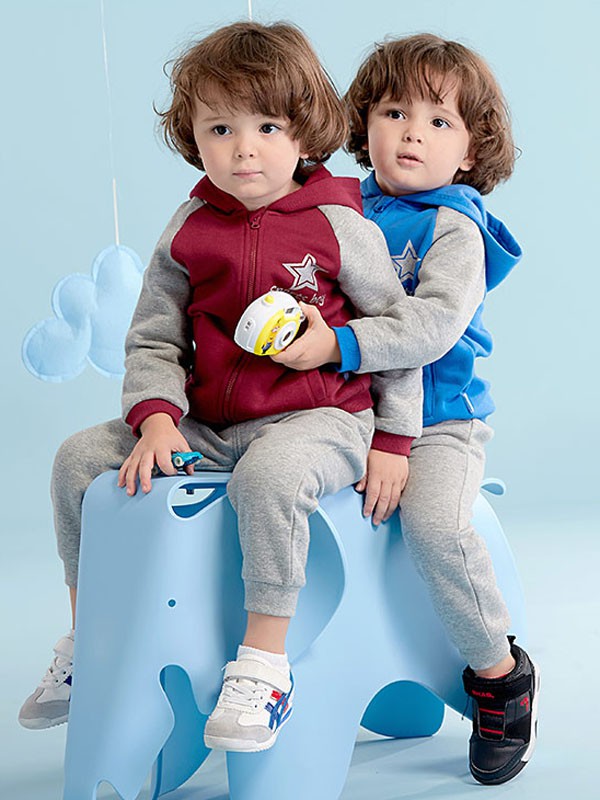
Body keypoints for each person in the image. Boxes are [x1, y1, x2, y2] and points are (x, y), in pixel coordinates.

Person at [18, 21, 422, 753]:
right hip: (203, 426)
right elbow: (153, 338)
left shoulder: (338, 225)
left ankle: (264, 665)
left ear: (303, 132)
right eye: (220, 128)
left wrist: (394, 440)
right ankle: (89, 642)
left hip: (320, 420)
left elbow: (396, 333)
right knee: (77, 459)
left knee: (269, 478)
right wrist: (155, 418)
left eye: (267, 126)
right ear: (194, 138)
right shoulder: (189, 228)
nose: (244, 149)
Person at [274, 34, 539, 785]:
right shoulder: (340, 206)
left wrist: (338, 345)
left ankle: (499, 676)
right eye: (395, 112)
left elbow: (431, 327)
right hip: (350, 410)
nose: (412, 133)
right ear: (364, 124)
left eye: (439, 120)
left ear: (470, 151)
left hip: (440, 420)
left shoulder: (453, 226)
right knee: (276, 479)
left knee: (433, 526)